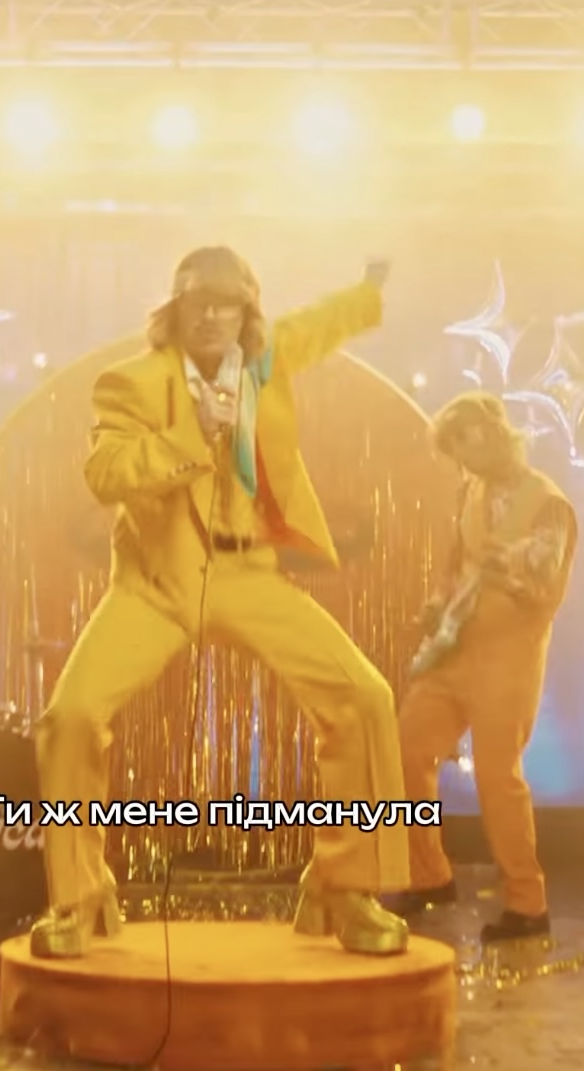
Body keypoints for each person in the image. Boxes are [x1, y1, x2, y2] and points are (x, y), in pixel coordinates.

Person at [31, 245, 411, 959]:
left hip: (249, 574)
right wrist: (191, 434)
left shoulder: (265, 362)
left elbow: (318, 324)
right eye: (197, 303)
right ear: (175, 311)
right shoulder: (131, 382)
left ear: (245, 313)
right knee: (69, 718)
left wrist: (366, 293)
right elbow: (106, 473)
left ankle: (346, 887)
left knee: (364, 697)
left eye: (225, 304)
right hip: (157, 584)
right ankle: (78, 896)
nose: (211, 315)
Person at [393, 393, 577, 942]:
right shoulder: (469, 492)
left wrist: (508, 567)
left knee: (499, 778)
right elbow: (455, 567)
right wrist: (438, 606)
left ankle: (527, 904)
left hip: (510, 656)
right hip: (455, 651)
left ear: (495, 428)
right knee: (407, 752)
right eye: (453, 446)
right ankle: (429, 874)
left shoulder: (546, 502)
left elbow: (547, 583)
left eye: (465, 438)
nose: (462, 454)